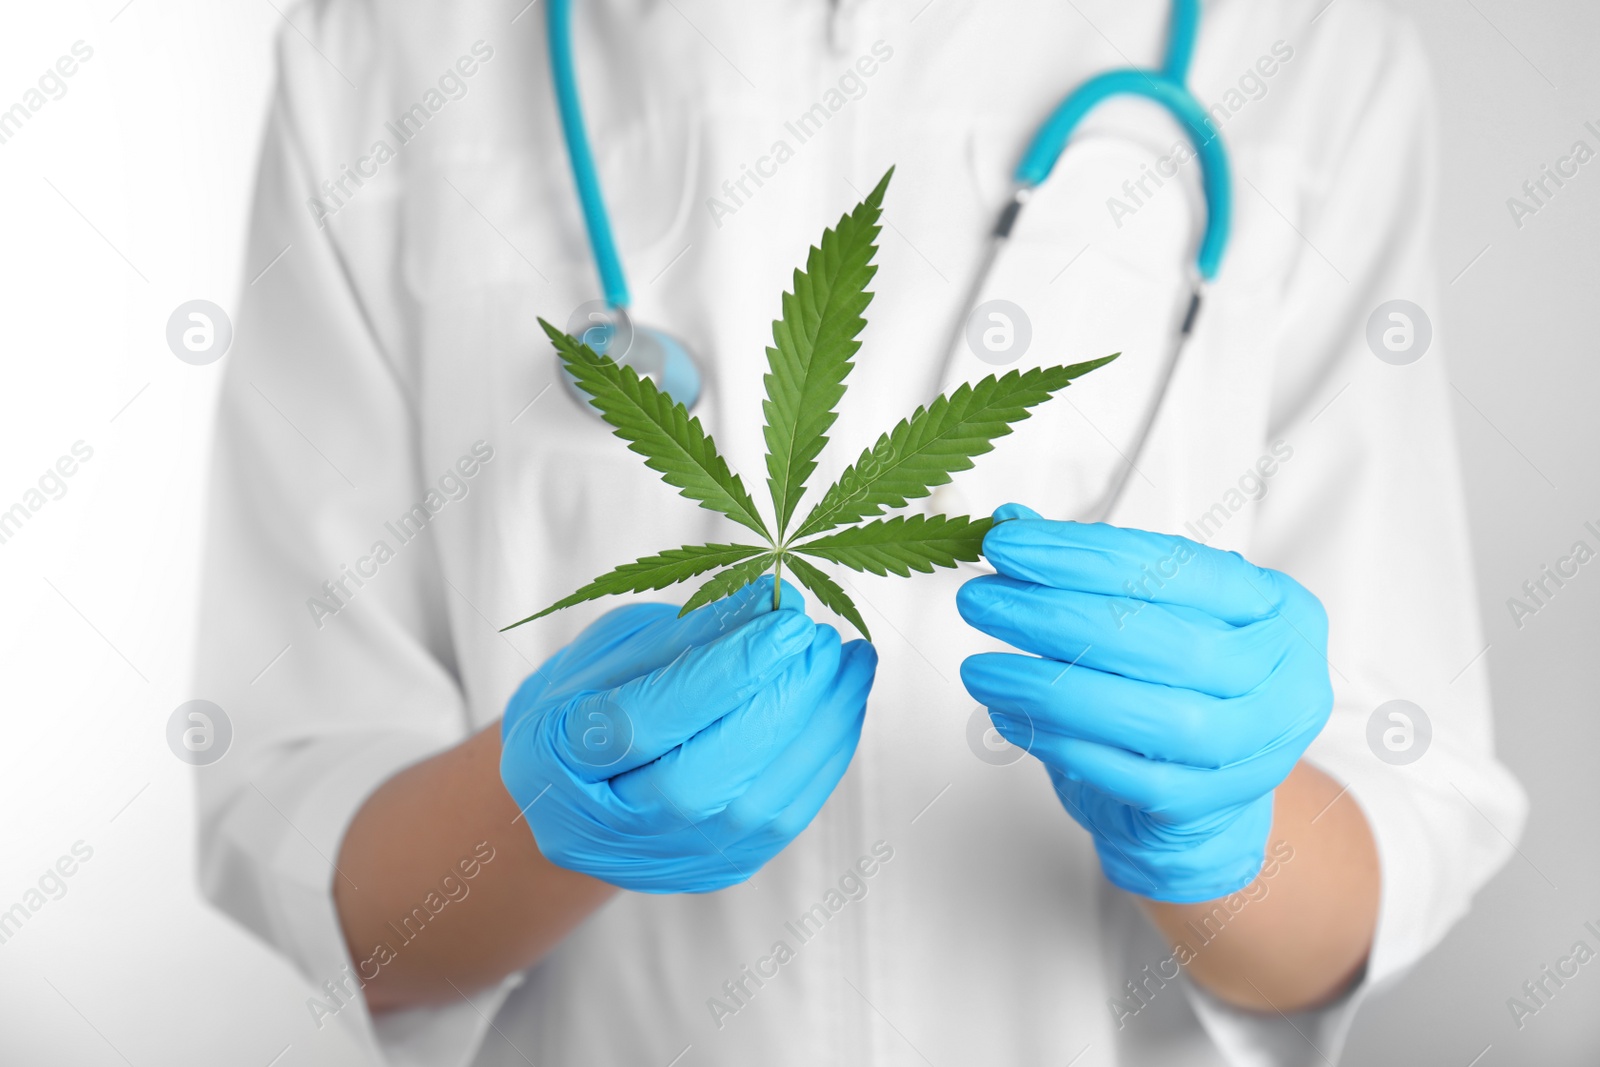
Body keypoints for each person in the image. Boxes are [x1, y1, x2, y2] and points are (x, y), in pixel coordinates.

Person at [196, 1, 1526, 1063]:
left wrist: (1228, 833)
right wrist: (539, 807)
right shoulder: (381, 53)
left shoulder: (1311, 56)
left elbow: (1386, 853)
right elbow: (313, 847)